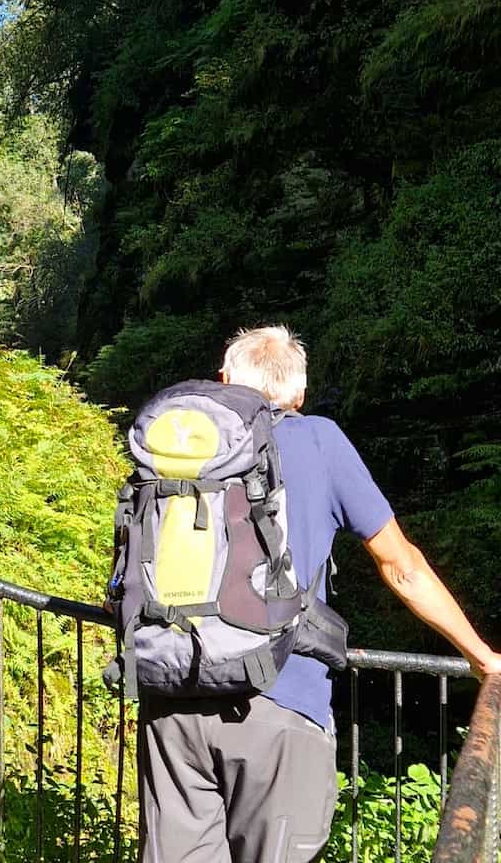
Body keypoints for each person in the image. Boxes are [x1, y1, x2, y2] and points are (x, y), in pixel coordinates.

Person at [136, 325, 501, 863]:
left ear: (224, 380)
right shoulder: (319, 440)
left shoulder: (179, 443)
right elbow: (401, 567)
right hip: (280, 700)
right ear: (300, 394)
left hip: (173, 698)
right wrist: (482, 656)